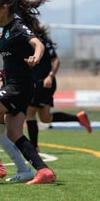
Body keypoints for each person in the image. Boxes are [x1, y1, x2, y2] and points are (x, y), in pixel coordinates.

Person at [0, 0, 56, 184]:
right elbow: (13, 56)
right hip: (17, 86)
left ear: (5, 7)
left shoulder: (18, 27)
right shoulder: (7, 31)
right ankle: (44, 171)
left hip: (17, 88)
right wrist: (2, 65)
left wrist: (36, 55)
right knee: (13, 133)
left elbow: (38, 44)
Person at [26, 24, 92, 152]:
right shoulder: (29, 42)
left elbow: (56, 61)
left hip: (44, 83)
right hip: (38, 83)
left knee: (30, 112)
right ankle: (79, 118)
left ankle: (34, 147)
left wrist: (50, 76)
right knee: (45, 118)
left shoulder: (42, 42)